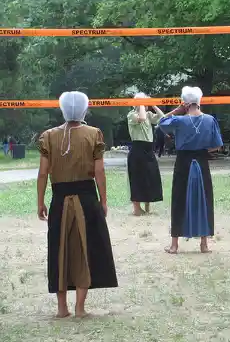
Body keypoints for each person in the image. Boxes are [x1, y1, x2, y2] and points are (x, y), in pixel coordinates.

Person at [36, 91, 118, 318]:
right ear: (85, 109)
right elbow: (99, 171)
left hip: (60, 199)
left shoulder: (48, 136)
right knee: (86, 248)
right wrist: (103, 200)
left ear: (62, 110)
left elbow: (43, 173)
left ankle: (62, 308)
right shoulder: (94, 134)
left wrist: (40, 201)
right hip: (86, 198)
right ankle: (80, 308)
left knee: (59, 249)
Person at [159, 86, 223, 254]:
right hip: (201, 162)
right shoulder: (210, 120)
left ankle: (174, 245)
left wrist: (176, 110)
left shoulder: (179, 120)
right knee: (205, 199)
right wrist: (201, 150)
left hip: (183, 162)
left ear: (185, 103)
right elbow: (217, 144)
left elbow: (161, 123)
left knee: (179, 199)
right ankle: (204, 244)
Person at [127, 92, 164, 216]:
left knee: (151, 177)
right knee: (137, 179)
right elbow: (141, 118)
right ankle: (137, 209)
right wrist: (141, 103)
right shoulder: (131, 114)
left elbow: (162, 117)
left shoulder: (148, 114)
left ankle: (148, 205)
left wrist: (153, 105)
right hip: (137, 149)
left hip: (148, 149)